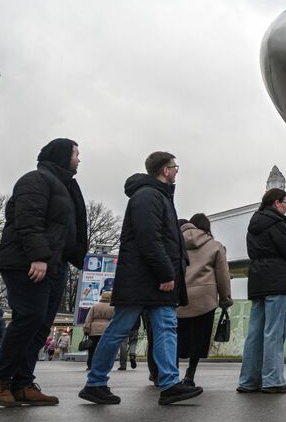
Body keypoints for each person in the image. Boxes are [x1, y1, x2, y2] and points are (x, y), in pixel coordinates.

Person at [79, 152, 201, 406]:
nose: (177, 171)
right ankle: (97, 382)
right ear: (165, 170)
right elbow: (150, 239)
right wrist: (166, 273)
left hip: (145, 278)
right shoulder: (148, 196)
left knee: (163, 327)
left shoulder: (156, 196)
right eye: (174, 167)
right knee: (120, 330)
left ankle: (168, 383)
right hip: (148, 279)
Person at [0, 139, 88, 407]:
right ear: (62, 155)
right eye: (76, 154)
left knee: (40, 325)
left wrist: (73, 257)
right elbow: (28, 220)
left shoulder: (66, 187)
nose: (79, 159)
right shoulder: (36, 180)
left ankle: (22, 382)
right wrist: (39, 256)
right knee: (28, 318)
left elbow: (67, 229)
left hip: (55, 264)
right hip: (27, 262)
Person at [238, 188, 286, 394]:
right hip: (276, 279)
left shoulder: (253, 224)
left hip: (257, 279)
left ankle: (248, 380)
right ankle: (273, 379)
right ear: (276, 203)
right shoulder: (277, 224)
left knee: (255, 332)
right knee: (274, 331)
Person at [176, 213, 232, 387]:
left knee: (176, 340)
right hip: (204, 300)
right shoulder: (215, 246)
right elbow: (223, 276)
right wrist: (225, 299)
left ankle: (171, 376)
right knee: (199, 340)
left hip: (179, 298)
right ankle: (189, 376)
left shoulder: (176, 243)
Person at [82, 291, 115, 370]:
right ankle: (102, 365)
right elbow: (114, 319)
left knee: (92, 349)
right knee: (104, 349)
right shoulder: (112, 307)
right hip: (106, 330)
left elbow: (89, 318)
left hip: (94, 330)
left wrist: (86, 328)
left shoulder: (95, 306)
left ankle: (90, 365)